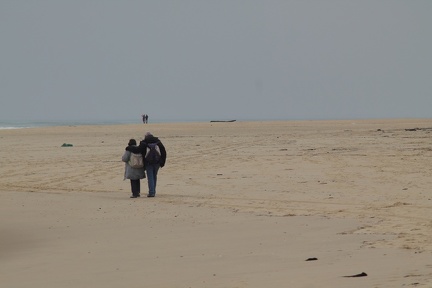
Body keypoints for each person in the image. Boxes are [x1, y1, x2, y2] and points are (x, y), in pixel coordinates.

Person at [126, 132, 166, 197]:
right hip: (157, 162)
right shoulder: (158, 142)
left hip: (148, 162)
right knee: (154, 176)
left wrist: (129, 148)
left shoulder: (144, 142)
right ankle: (153, 191)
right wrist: (162, 162)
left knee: (150, 177)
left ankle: (151, 192)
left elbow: (137, 150)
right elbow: (163, 152)